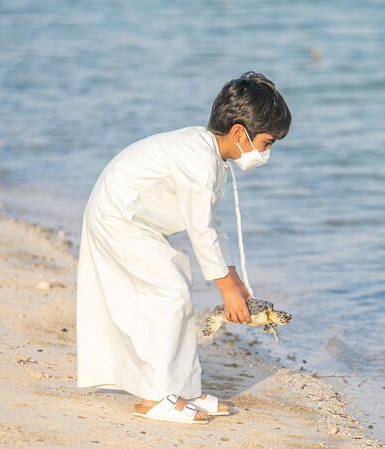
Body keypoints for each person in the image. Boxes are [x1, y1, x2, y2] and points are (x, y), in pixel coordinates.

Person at [75, 71, 291, 424]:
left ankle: (183, 389)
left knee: (176, 289)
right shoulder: (198, 159)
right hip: (118, 217)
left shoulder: (212, 157)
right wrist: (224, 289)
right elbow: (199, 228)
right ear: (240, 133)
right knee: (169, 294)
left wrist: (233, 278)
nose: (267, 153)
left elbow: (212, 224)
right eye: (267, 143)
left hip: (137, 223)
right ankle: (155, 397)